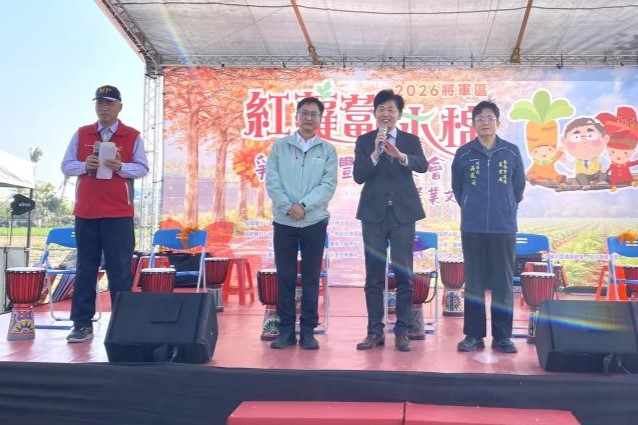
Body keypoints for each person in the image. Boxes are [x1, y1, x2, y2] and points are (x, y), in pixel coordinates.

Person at [61, 85, 149, 343]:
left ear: (120, 106)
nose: (104, 107)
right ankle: (81, 324)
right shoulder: (82, 133)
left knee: (119, 270)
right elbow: (66, 165)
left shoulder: (132, 135)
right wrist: (83, 165)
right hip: (86, 212)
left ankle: (123, 325)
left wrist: (121, 167)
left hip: (118, 213)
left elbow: (142, 168)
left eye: (109, 103)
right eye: (100, 103)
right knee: (85, 269)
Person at [353, 89, 429, 352]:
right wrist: (375, 154)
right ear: (374, 113)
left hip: (402, 215)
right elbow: (358, 176)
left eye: (391, 110)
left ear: (399, 114)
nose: (386, 114)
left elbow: (422, 165)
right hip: (373, 214)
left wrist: (401, 156)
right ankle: (374, 332)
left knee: (404, 275)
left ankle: (402, 332)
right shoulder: (365, 141)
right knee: (373, 276)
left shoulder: (410, 140)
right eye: (381, 109)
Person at [451, 100, 525, 354]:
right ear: (473, 124)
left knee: (503, 283)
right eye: (480, 118)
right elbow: (458, 188)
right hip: (472, 226)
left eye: (490, 118)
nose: (485, 122)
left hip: (503, 226)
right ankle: (473, 335)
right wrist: (471, 206)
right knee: (474, 282)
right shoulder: (464, 153)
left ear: (498, 122)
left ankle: (503, 337)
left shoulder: (511, 152)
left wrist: (505, 207)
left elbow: (518, 187)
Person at [265, 97, 337, 350]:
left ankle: (308, 331)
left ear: (320, 119)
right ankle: (286, 331)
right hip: (284, 221)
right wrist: (289, 206)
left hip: (314, 221)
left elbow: (328, 185)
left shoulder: (327, 150)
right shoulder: (280, 147)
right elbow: (272, 181)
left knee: (310, 278)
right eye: (304, 113)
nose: (309, 118)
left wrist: (304, 206)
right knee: (285, 277)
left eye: (314, 114)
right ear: (296, 117)